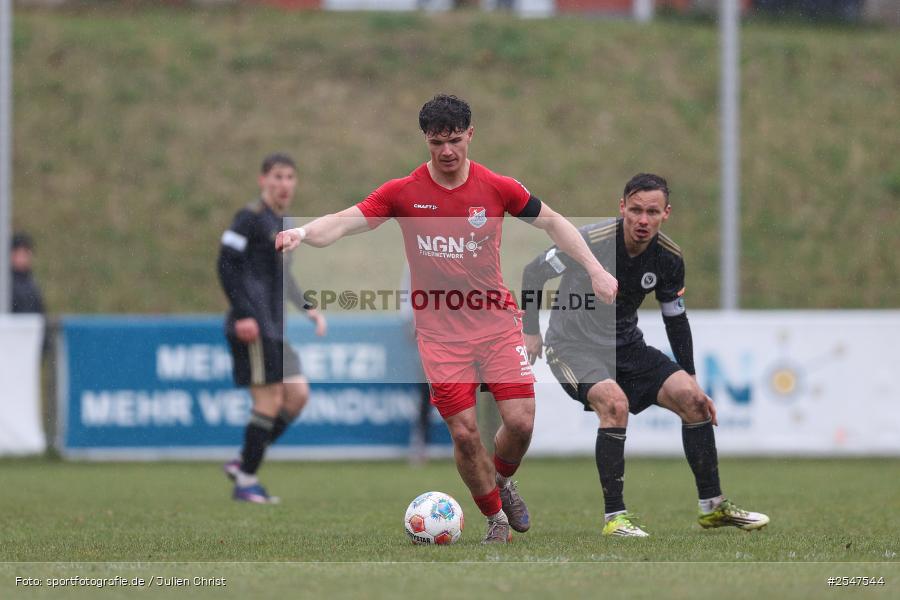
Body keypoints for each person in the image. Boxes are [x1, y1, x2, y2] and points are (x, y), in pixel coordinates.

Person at [276, 94, 618, 543]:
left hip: (495, 323)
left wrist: (594, 269)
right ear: (426, 140)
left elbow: (553, 222)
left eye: (455, 140)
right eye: (437, 142)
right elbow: (343, 221)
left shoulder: (497, 187)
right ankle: (496, 520)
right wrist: (302, 232)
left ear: (470, 134)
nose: (447, 151)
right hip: (440, 335)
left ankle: (502, 482)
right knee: (465, 433)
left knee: (521, 422)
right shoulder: (403, 192)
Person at [521, 173, 769, 537]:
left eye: (652, 212)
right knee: (614, 404)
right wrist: (530, 330)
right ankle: (615, 519)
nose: (642, 220)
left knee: (694, 402)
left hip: (627, 347)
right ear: (622, 207)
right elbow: (533, 272)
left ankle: (713, 507)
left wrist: (691, 378)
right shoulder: (590, 241)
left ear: (666, 213)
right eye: (635, 210)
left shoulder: (668, 257)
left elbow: (675, 318)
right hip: (572, 347)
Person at [217, 152, 327, 504]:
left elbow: (284, 275)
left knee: (297, 396)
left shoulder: (285, 223)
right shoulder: (248, 218)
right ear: (263, 180)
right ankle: (247, 481)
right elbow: (226, 264)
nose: (284, 184)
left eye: (290, 177)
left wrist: (308, 308)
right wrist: (243, 313)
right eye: (277, 176)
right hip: (253, 325)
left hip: (275, 327)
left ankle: (244, 460)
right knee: (269, 400)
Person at [11, 232, 45, 315]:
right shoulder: (6, 283)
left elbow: (40, 310)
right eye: (19, 254)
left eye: (25, 254)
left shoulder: (32, 283)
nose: (22, 259)